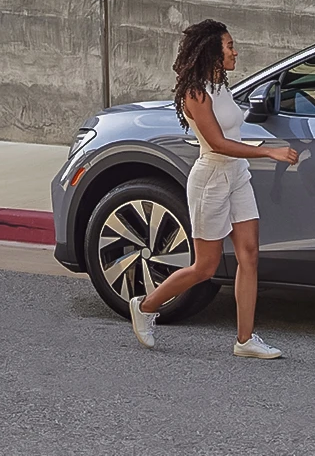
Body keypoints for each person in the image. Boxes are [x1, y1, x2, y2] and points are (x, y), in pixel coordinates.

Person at [127, 18, 299, 359]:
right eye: (230, 46)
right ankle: (146, 306)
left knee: (249, 255)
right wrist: (267, 151)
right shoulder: (196, 93)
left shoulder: (221, 85)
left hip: (237, 175)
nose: (236, 52)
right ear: (212, 52)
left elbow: (232, 132)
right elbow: (217, 143)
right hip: (211, 181)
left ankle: (245, 340)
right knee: (205, 267)